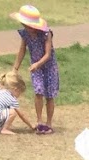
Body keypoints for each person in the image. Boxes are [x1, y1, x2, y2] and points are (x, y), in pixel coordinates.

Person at [11, 5, 59, 135]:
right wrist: (15, 68)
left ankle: (49, 123)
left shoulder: (46, 33)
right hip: (35, 67)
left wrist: (37, 64)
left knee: (49, 95)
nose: (27, 28)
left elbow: (48, 54)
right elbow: (22, 50)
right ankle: (39, 121)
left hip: (49, 67)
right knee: (38, 91)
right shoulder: (25, 34)